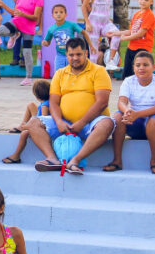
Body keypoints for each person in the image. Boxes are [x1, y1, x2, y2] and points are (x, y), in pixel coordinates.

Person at [32, 37, 114, 175]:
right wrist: (58, 121)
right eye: (71, 55)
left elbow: (102, 102)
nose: (75, 58)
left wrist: (82, 122)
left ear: (86, 54)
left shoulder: (99, 71)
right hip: (64, 123)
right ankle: (52, 159)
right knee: (33, 123)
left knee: (107, 124)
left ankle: (75, 161)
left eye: (78, 54)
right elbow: (53, 102)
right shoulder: (60, 73)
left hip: (90, 123)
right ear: (66, 55)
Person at [105, 51, 155, 174]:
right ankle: (117, 160)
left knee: (154, 120)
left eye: (145, 65)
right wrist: (127, 111)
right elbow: (121, 102)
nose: (141, 68)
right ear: (133, 67)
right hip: (136, 123)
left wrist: (136, 114)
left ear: (153, 67)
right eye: (138, 65)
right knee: (118, 116)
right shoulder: (128, 81)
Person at [0, 0, 44, 84]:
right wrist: (3, 5)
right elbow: (14, 12)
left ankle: (28, 78)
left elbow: (36, 17)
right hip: (17, 22)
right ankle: (14, 34)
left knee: (27, 52)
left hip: (28, 27)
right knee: (1, 30)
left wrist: (23, 14)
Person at [82, 0, 121, 70]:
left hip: (105, 22)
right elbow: (84, 6)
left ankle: (110, 61)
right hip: (94, 22)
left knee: (116, 34)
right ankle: (91, 74)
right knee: (93, 52)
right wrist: (87, 22)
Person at [115, 0, 155, 79]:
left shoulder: (149, 15)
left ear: (151, 2)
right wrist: (116, 33)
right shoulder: (137, 14)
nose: (143, 1)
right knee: (127, 75)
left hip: (143, 48)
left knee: (140, 75)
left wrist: (125, 39)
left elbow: (140, 33)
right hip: (131, 48)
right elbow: (132, 31)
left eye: (146, 0)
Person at [40, 4, 82, 74]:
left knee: (72, 74)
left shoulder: (71, 25)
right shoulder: (51, 28)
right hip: (60, 56)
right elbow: (48, 42)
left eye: (61, 12)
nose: (58, 14)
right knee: (59, 74)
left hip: (71, 55)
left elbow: (82, 32)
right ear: (52, 15)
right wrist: (45, 42)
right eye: (56, 13)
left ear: (66, 14)